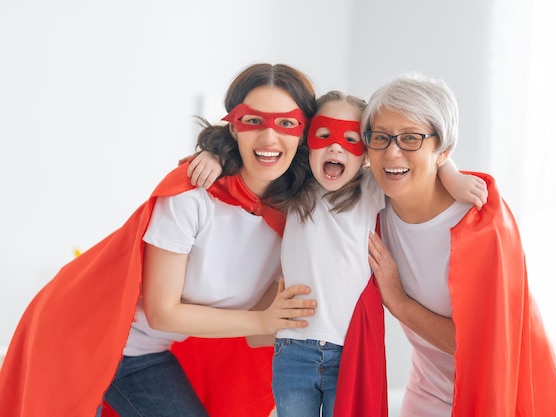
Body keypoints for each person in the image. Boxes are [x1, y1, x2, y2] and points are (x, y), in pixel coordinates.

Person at [0, 63, 319, 417]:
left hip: (143, 351)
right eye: (253, 121)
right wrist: (264, 322)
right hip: (82, 333)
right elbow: (161, 312)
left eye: (287, 123)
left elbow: (258, 336)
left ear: (304, 134)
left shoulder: (295, 219)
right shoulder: (191, 195)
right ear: (232, 126)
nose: (269, 138)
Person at [188, 90, 487, 417]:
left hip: (347, 354)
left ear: (367, 153)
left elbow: (426, 155)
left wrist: (454, 177)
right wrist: (213, 156)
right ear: (308, 142)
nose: (335, 146)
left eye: (350, 139)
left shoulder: (372, 188)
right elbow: (254, 156)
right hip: (292, 349)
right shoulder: (293, 186)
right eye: (324, 135)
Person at [364, 73, 556, 416]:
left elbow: (484, 347)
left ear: (443, 150)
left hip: (505, 396)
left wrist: (398, 302)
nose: (392, 152)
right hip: (426, 394)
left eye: (411, 138)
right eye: (381, 137)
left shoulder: (483, 224)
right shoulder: (369, 207)